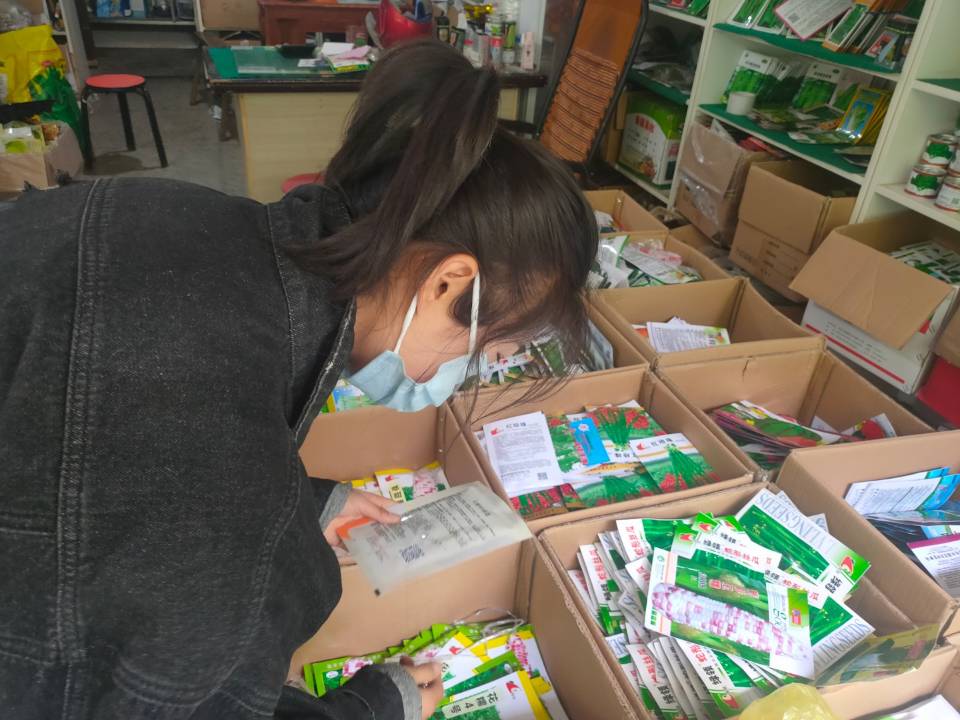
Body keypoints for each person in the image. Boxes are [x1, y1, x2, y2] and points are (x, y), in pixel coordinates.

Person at [0, 39, 598, 720]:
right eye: (485, 347)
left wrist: (301, 498)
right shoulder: (232, 544)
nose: (466, 371)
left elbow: (111, 447)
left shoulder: (181, 213)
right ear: (447, 283)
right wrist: (373, 706)